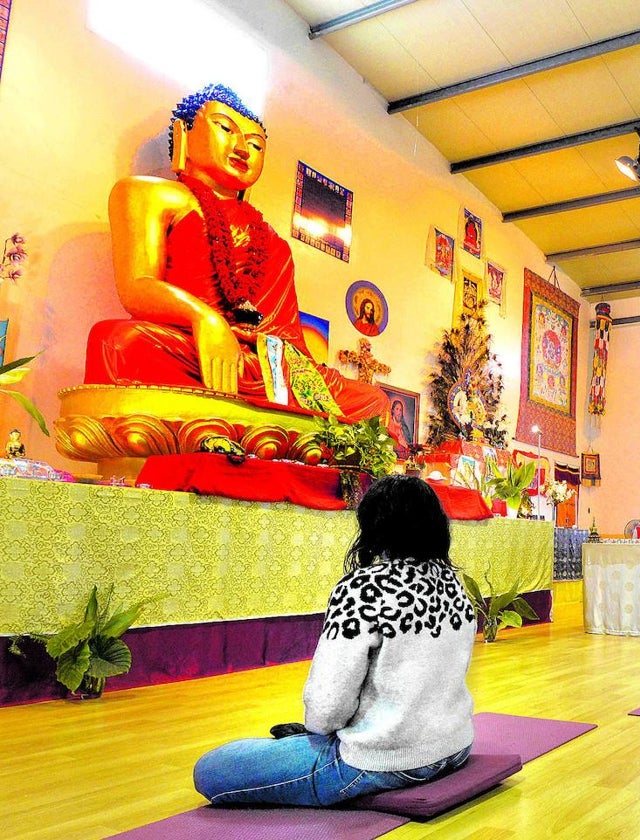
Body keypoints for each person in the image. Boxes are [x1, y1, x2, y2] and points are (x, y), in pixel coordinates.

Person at [84, 84, 388, 423]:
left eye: (256, 144)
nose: (243, 148)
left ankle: (253, 418)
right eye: (225, 128)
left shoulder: (273, 239)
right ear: (184, 135)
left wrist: (273, 355)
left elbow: (288, 336)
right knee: (119, 342)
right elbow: (136, 286)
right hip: (190, 346)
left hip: (264, 364)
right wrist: (206, 320)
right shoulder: (149, 194)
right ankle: (262, 424)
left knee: (373, 401)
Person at [193, 475, 476, 806]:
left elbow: (326, 710)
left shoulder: (362, 589)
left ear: (372, 526)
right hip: (455, 746)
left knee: (211, 769)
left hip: (385, 762)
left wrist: (318, 731)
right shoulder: (454, 585)